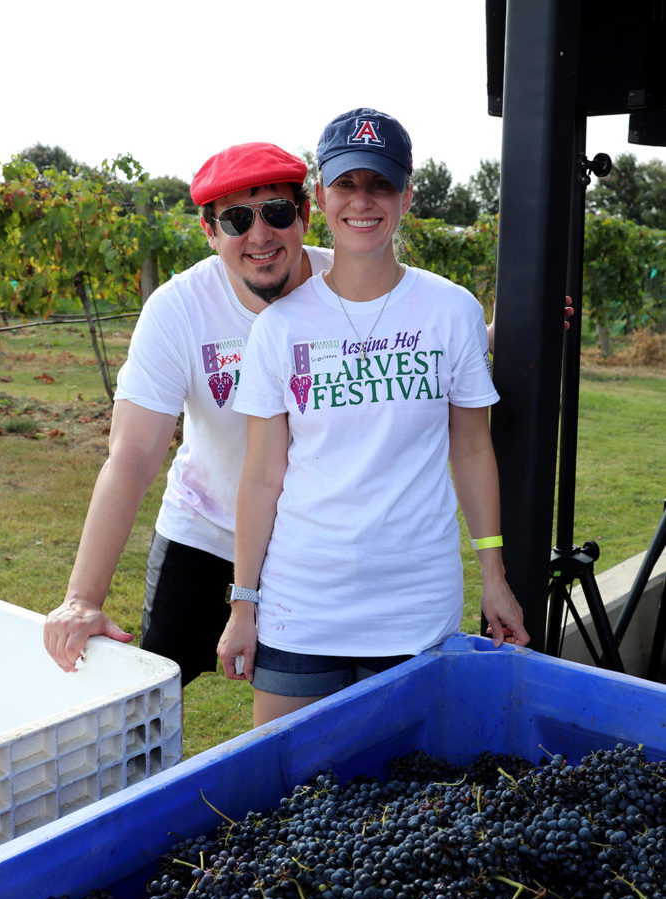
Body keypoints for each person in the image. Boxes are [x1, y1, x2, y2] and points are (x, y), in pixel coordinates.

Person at [217, 108, 530, 727]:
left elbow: (471, 449)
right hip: (301, 605)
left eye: (381, 184)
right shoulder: (279, 328)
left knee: (405, 803)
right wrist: (244, 604)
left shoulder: (451, 310)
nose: (364, 201)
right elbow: (260, 478)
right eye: (348, 184)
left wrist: (493, 574)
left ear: (407, 196)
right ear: (320, 196)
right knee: (286, 793)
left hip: (414, 605)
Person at [43, 143, 331, 685]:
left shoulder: (351, 290)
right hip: (207, 528)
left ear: (305, 215)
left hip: (314, 539)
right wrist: (82, 598)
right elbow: (131, 456)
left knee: (314, 709)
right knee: (156, 692)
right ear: (208, 230)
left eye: (276, 212)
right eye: (238, 218)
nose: (260, 235)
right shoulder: (178, 309)